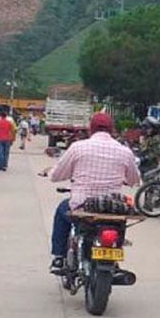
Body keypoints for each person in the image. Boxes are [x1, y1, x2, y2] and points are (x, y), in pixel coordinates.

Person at [48, 112, 141, 273]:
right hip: (112, 207)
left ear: (91, 129)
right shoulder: (124, 151)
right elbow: (134, 180)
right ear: (112, 130)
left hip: (82, 205)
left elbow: (57, 176)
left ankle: (59, 256)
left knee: (61, 211)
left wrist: (52, 173)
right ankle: (114, 254)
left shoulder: (78, 147)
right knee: (119, 222)